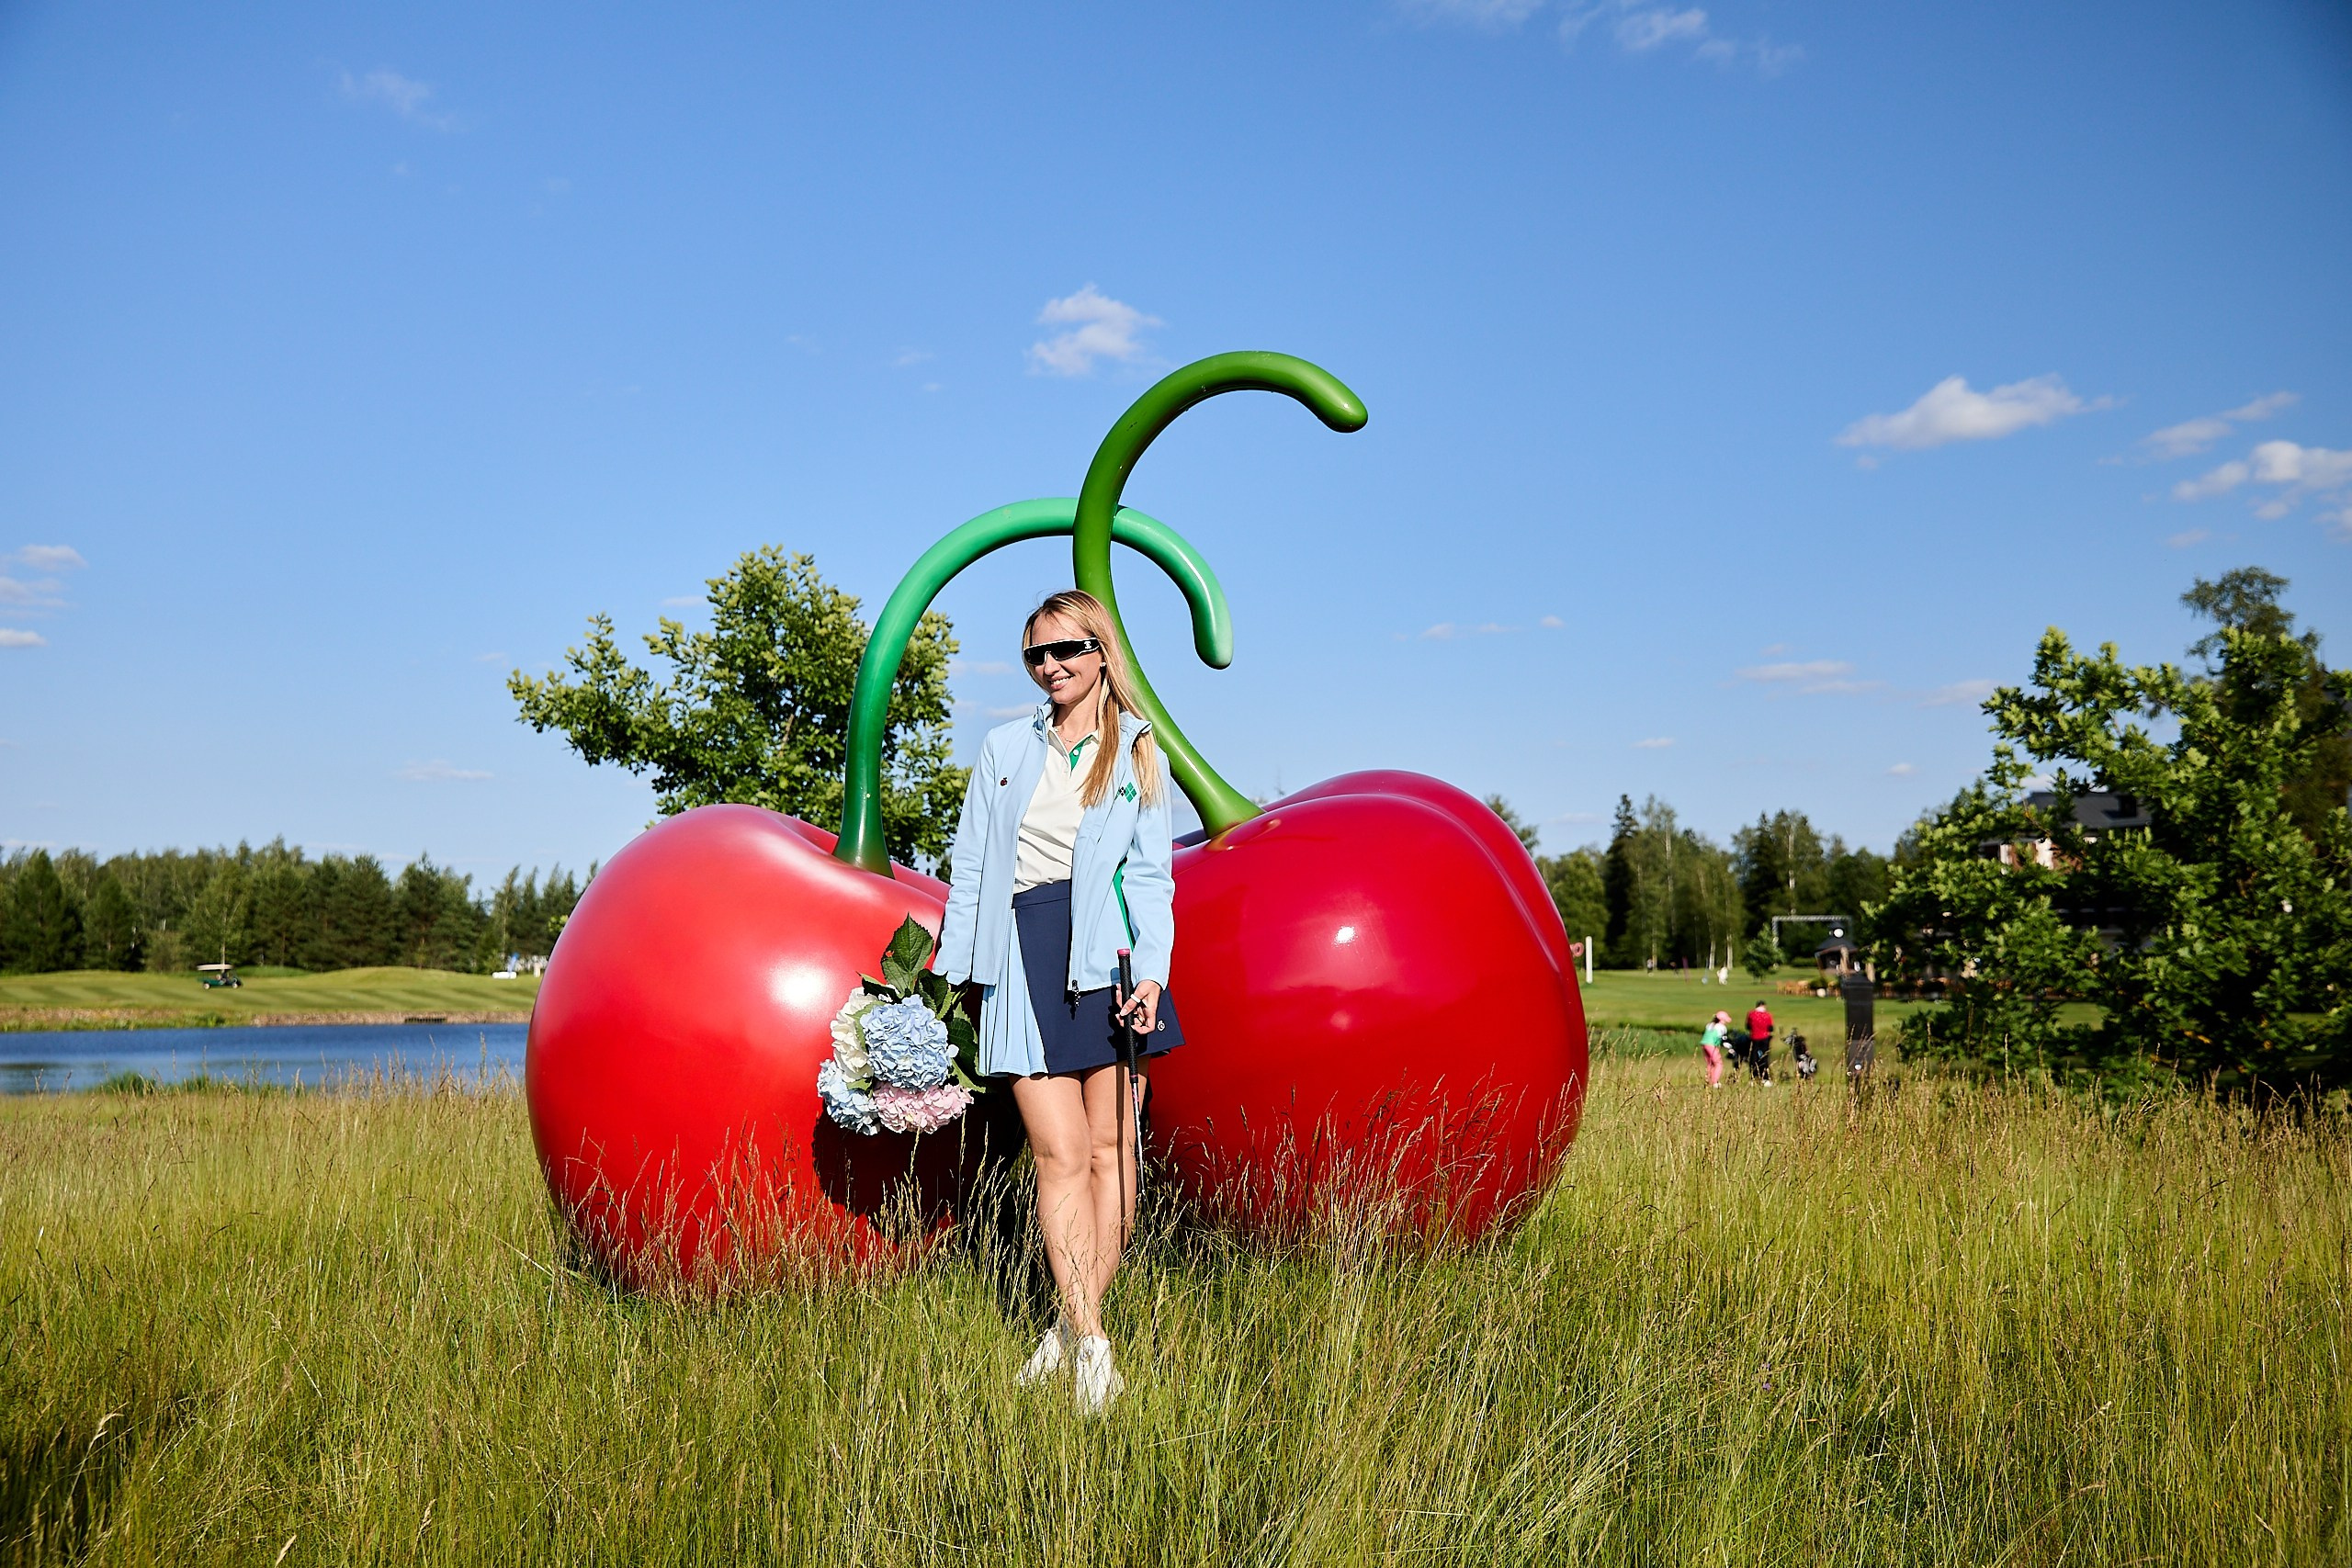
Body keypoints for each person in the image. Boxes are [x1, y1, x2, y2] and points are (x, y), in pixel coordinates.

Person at [934, 589, 1182, 1416]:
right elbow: (971, 865)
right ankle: (1094, 1342)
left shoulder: (1140, 752)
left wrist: (1151, 972)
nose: (1051, 667)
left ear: (1101, 652)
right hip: (1019, 953)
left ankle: (1069, 1328)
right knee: (1058, 1153)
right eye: (1036, 655)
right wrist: (960, 973)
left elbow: (1150, 876)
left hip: (1108, 958)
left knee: (1113, 1152)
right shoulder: (1005, 748)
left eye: (1066, 650)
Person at [1746, 999, 1775, 1085]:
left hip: (1754, 1037)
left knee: (1753, 1058)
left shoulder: (1751, 1014)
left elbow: (1748, 1026)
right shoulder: (1767, 1015)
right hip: (1764, 1038)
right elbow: (1770, 1028)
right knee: (1764, 1057)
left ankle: (1752, 1078)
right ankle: (1765, 1078)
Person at [1700, 1010, 1729, 1089]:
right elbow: (1723, 1040)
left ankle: (1708, 1081)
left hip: (1704, 1044)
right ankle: (1714, 1082)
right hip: (1711, 1045)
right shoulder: (1722, 1027)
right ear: (1721, 1019)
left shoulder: (1709, 1025)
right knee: (1718, 1063)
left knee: (1710, 1064)